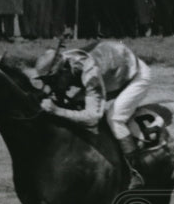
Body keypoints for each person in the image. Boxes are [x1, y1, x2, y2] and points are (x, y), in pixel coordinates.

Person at [34, 40, 152, 189]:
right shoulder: (66, 62)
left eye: (54, 80)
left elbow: (92, 118)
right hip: (114, 68)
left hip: (136, 77)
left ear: (64, 70)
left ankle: (136, 172)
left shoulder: (90, 74)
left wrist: (57, 110)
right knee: (74, 105)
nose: (53, 85)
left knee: (114, 119)